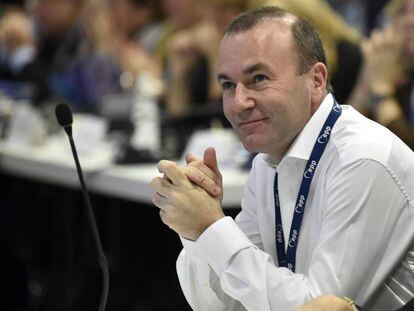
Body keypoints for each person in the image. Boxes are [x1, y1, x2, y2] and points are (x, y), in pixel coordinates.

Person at [151, 6, 414, 311]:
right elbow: (223, 305)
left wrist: (211, 226)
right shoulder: (268, 161)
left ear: (316, 80)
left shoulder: (362, 160)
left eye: (259, 78)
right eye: (227, 85)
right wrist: (195, 231)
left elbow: (315, 306)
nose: (239, 103)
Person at [348, 0, 414, 150]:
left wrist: (381, 90)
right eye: (403, 11)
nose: (411, 20)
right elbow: (343, 136)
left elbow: (408, 156)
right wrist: (367, 80)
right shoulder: (392, 67)